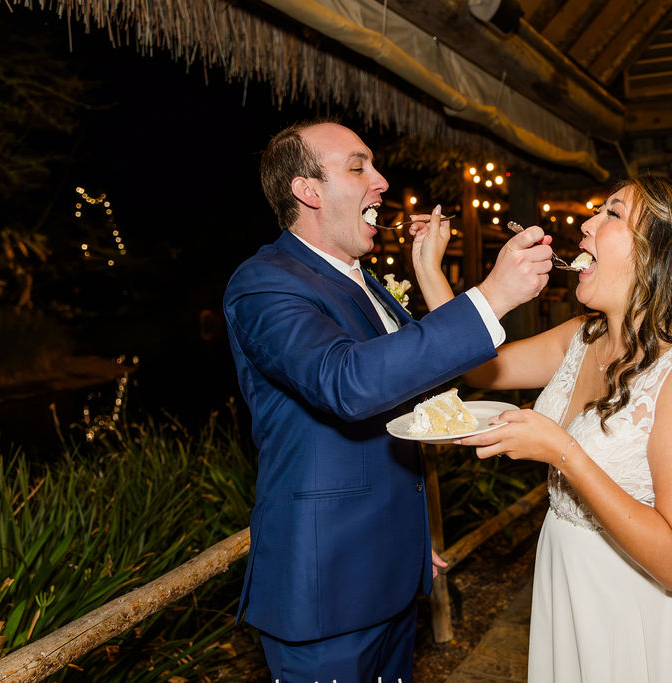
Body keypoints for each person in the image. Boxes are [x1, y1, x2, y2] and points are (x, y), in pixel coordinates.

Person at [223, 120, 554, 682]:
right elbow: (347, 385)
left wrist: (403, 538)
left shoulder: (366, 282)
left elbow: (405, 395)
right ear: (308, 191)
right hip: (327, 588)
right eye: (358, 167)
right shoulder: (265, 283)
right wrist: (492, 296)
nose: (380, 181)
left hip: (391, 572)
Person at [413, 175, 672, 680]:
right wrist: (429, 267)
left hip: (645, 609)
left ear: (659, 253)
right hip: (570, 582)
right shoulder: (580, 338)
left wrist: (563, 453)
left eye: (613, 214)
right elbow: (476, 366)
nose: (586, 223)